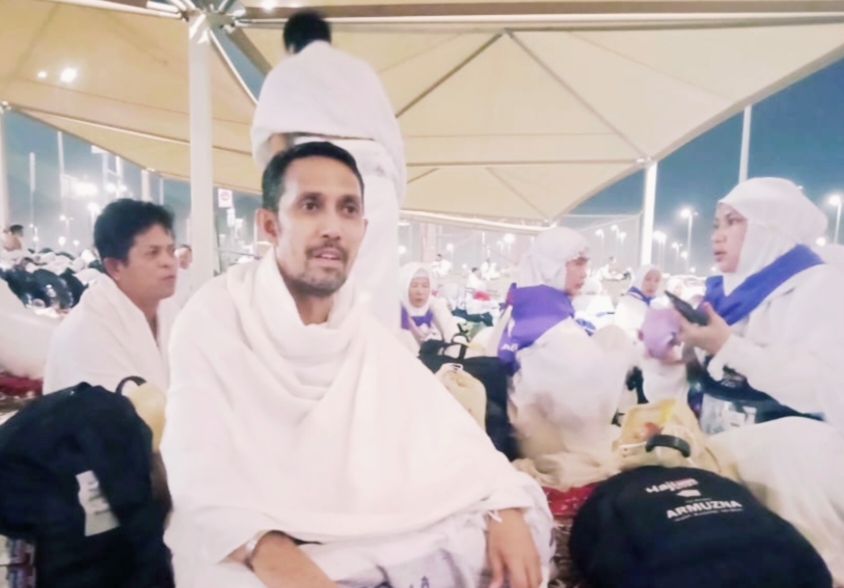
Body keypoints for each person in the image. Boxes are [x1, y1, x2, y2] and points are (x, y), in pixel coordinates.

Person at [161, 142, 553, 588]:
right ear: (270, 224)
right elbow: (198, 471)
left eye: (347, 210)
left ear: (362, 230)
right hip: (261, 535)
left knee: (526, 519)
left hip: (369, 533)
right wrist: (267, 550)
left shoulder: (362, 332)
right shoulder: (215, 316)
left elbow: (454, 438)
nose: (333, 228)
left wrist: (502, 505)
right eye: (311, 206)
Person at [643, 178, 844, 580]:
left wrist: (729, 348)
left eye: (733, 221)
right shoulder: (721, 299)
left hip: (799, 483)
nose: (717, 235)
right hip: (725, 470)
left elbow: (824, 391)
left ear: (773, 228)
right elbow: (689, 400)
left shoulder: (822, 289)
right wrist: (664, 363)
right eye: (716, 224)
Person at [251, 10, 405, 332]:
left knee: (317, 280)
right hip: (374, 184)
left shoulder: (287, 71)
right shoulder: (362, 72)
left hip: (315, 181)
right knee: (375, 290)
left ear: (290, 44)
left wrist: (282, 202)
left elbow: (277, 145)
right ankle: (376, 356)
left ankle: (319, 352)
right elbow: (392, 141)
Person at [495, 228, 631, 488]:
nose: (584, 273)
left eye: (585, 264)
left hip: (524, 440)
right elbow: (591, 407)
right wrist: (622, 353)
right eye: (577, 263)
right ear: (552, 265)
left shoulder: (519, 309)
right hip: (559, 449)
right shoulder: (555, 328)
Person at [43, 200, 178, 394]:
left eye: (171, 251)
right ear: (115, 267)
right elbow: (118, 408)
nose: (168, 262)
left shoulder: (171, 312)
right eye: (152, 253)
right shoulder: (87, 330)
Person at [399, 262, 460, 350]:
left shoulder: (436, 311)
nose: (420, 291)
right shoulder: (397, 317)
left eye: (425, 286)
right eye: (414, 286)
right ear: (403, 288)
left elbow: (455, 337)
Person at [614, 264, 662, 340]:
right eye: (648, 279)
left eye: (656, 281)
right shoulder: (627, 302)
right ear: (640, 280)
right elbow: (620, 330)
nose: (652, 284)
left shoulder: (657, 304)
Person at [172, 244, 194, 308]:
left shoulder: (195, 273)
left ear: (191, 258)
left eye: (185, 256)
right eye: (180, 256)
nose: (182, 259)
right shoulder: (169, 273)